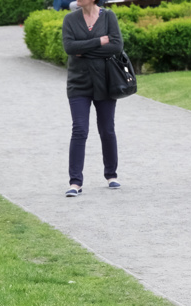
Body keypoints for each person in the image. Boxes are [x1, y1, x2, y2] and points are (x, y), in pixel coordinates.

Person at [62, 0, 123, 197]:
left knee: (107, 129)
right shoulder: (70, 19)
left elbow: (116, 46)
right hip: (78, 84)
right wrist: (99, 41)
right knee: (79, 130)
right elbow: (69, 47)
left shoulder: (108, 16)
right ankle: (75, 182)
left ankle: (111, 175)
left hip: (105, 83)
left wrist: (83, 50)